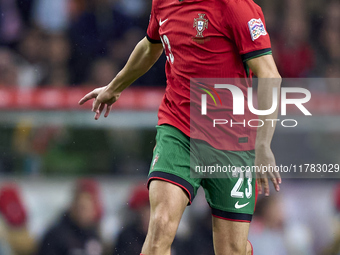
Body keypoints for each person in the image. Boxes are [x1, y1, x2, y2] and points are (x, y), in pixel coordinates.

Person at [79, 0, 282, 254]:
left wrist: (263, 145)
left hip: (232, 139)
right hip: (178, 129)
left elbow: (269, 75)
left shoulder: (235, 6)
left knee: (232, 250)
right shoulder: (162, 2)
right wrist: (114, 87)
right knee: (160, 227)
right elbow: (151, 45)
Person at [36, 179, 103, 255]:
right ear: (73, 205)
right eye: (81, 207)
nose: (83, 212)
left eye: (88, 208)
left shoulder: (94, 235)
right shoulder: (56, 236)